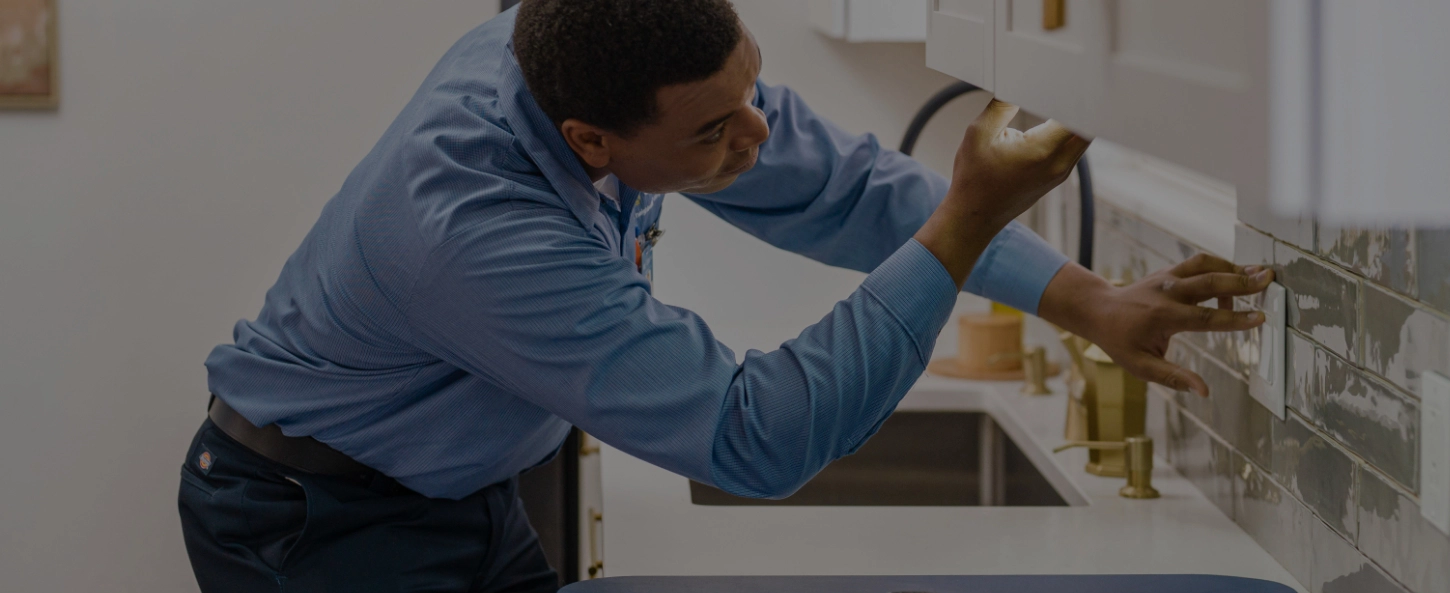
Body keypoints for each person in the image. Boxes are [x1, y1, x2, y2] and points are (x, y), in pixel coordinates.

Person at [177, 1, 1275, 591]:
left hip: (463, 487)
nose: (755, 138)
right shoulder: (472, 227)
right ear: (591, 143)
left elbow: (844, 188)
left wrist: (1089, 300)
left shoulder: (596, 47)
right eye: (713, 129)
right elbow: (753, 435)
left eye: (751, 91)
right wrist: (965, 218)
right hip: (314, 523)